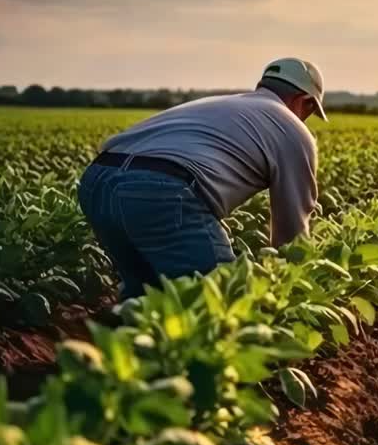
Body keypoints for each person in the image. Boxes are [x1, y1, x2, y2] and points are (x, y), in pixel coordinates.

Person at [79, 58, 325, 299]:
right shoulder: (293, 128)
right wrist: (290, 288)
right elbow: (292, 233)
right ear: (304, 102)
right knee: (221, 302)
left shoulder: (221, 104)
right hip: (159, 192)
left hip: (97, 182)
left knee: (146, 299)